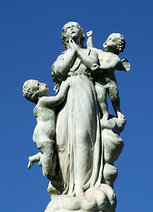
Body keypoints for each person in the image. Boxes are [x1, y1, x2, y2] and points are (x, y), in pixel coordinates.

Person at [51, 22, 103, 197]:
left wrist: (78, 49)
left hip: (84, 91)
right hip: (66, 98)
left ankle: (81, 185)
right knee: (63, 141)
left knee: (82, 137)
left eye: (76, 27)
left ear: (81, 34)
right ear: (64, 36)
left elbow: (93, 65)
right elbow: (59, 71)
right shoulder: (61, 57)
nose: (72, 29)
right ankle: (68, 186)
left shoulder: (89, 52)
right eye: (68, 28)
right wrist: (72, 50)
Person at [23, 79, 70, 176]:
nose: (43, 84)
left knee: (48, 152)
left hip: (42, 134)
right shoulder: (43, 101)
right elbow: (59, 99)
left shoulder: (43, 103)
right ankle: (46, 172)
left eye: (40, 82)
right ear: (35, 95)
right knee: (48, 151)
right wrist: (65, 85)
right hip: (42, 134)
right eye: (38, 85)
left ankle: (33, 158)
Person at [86, 31, 130, 120]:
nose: (107, 41)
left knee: (114, 97)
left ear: (118, 46)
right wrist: (90, 37)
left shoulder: (116, 58)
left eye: (111, 40)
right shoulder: (100, 53)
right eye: (107, 39)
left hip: (111, 83)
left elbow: (111, 67)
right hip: (99, 83)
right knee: (101, 98)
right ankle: (105, 114)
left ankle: (118, 111)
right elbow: (90, 48)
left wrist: (100, 68)